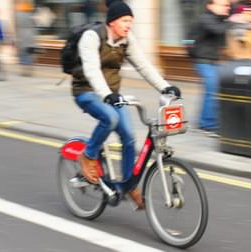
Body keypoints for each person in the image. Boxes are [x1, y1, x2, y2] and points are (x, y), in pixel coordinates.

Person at [73, 0, 181, 209]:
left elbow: (143, 65)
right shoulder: (92, 37)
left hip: (111, 94)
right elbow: (92, 70)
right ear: (112, 22)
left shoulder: (126, 40)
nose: (129, 25)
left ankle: (128, 183)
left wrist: (165, 87)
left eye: (131, 21)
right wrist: (105, 94)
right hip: (86, 92)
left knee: (129, 137)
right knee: (111, 118)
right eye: (125, 21)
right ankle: (88, 155)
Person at [190, 0, 233, 136]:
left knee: (212, 91)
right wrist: (233, 20)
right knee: (212, 91)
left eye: (228, 5)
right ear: (210, 6)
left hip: (212, 61)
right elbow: (218, 29)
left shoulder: (218, 19)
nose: (227, 8)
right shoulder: (206, 18)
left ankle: (204, 122)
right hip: (203, 61)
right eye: (223, 5)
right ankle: (208, 125)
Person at [15, 0, 36, 77]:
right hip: (30, 37)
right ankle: (28, 69)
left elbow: (16, 27)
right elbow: (33, 28)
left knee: (23, 54)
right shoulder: (31, 15)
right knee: (29, 54)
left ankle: (24, 70)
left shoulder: (18, 15)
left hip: (21, 37)